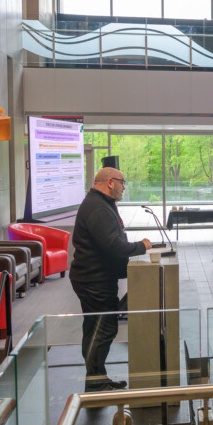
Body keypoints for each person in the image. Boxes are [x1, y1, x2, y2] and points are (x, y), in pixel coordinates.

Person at [71, 167, 153, 392]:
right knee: (102, 329)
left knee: (95, 329)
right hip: (94, 281)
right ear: (110, 182)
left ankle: (97, 378)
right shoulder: (98, 207)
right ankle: (95, 383)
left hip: (95, 278)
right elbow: (112, 245)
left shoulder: (99, 203)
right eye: (122, 182)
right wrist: (141, 247)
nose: (124, 187)